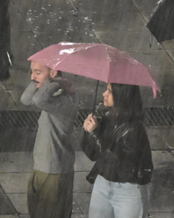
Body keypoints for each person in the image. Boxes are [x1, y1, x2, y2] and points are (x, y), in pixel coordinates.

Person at [81, 83, 153, 218]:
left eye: (109, 91)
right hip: (103, 183)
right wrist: (88, 132)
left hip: (127, 189)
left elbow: (118, 160)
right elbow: (93, 154)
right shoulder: (107, 116)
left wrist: (95, 133)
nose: (104, 94)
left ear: (122, 95)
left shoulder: (134, 128)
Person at [20, 61, 77, 218]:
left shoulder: (65, 99)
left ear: (53, 73)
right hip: (42, 166)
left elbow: (38, 100)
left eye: (38, 72)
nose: (32, 76)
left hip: (55, 170)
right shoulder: (52, 95)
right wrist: (43, 80)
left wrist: (57, 81)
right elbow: (25, 99)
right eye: (31, 72)